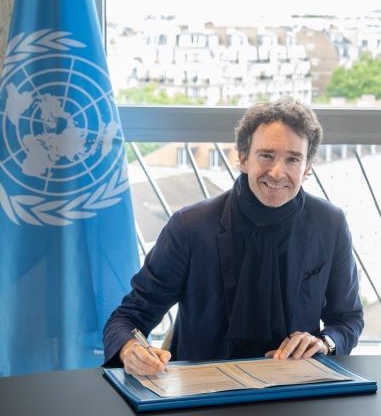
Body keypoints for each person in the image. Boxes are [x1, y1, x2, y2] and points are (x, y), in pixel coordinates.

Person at [103, 98, 363, 376]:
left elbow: (348, 319)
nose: (277, 172)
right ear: (242, 158)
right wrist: (130, 348)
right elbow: (128, 318)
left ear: (307, 167)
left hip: (295, 388)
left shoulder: (330, 223)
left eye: (292, 159)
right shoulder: (190, 226)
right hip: (202, 391)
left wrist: (324, 342)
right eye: (266, 155)